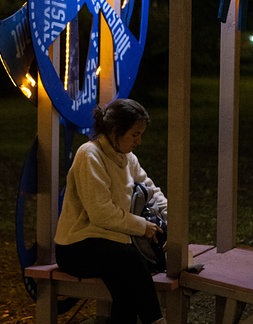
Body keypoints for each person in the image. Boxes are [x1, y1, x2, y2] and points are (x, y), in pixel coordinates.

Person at [54, 98, 168, 324]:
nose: (139, 141)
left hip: (112, 245)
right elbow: (101, 212)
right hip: (77, 246)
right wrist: (142, 226)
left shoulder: (127, 157)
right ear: (116, 131)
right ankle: (155, 320)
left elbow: (152, 190)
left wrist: (171, 219)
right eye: (135, 134)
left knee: (125, 289)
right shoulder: (89, 154)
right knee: (130, 261)